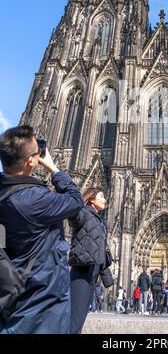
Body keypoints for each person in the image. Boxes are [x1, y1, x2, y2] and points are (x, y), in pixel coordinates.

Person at [0, 125, 84, 334]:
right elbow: (75, 200)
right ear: (31, 161)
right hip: (40, 298)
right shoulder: (33, 200)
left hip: (12, 287)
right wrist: (54, 170)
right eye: (38, 152)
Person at [68, 188, 113, 334]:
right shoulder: (83, 213)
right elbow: (73, 214)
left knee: (81, 315)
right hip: (81, 269)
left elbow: (100, 251)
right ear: (91, 199)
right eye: (101, 196)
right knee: (74, 315)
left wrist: (107, 280)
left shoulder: (101, 222)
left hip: (93, 272)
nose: (105, 199)